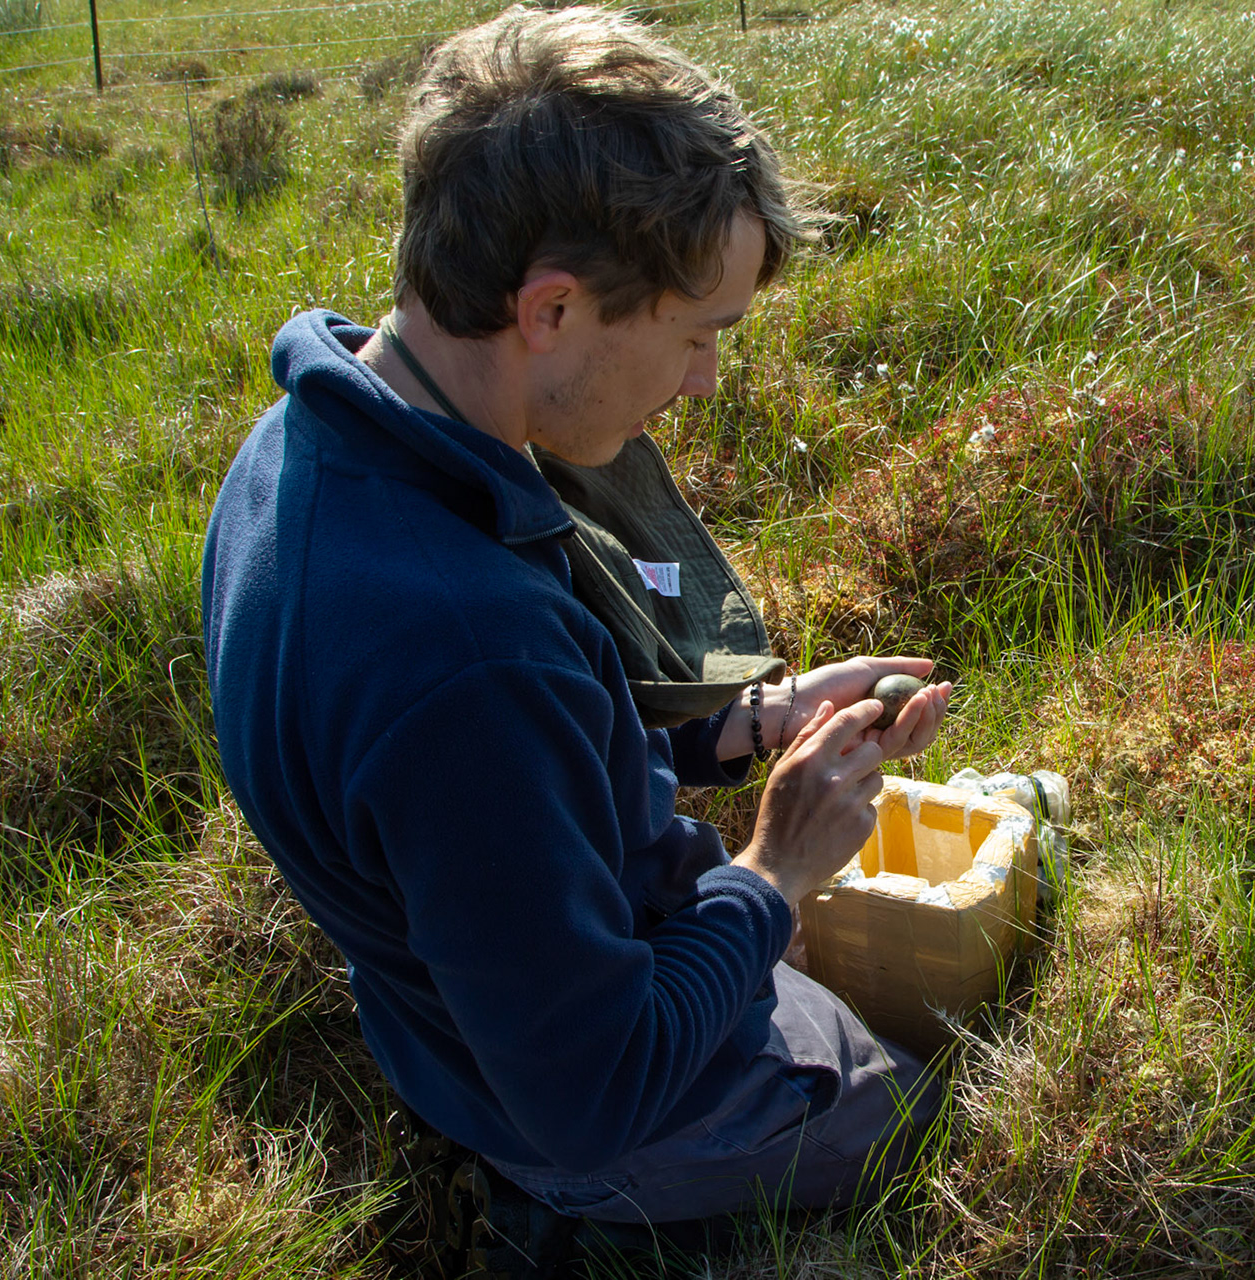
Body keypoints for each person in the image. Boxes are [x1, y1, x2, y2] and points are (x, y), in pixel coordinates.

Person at [200, 2, 950, 1238]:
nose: (706, 380)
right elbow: (593, 1086)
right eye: (699, 335)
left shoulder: (307, 442)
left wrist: (746, 726)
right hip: (585, 1105)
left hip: (478, 1000)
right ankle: (583, 1216)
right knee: (931, 1117)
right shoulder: (465, 653)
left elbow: (521, 786)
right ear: (550, 312)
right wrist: (778, 868)